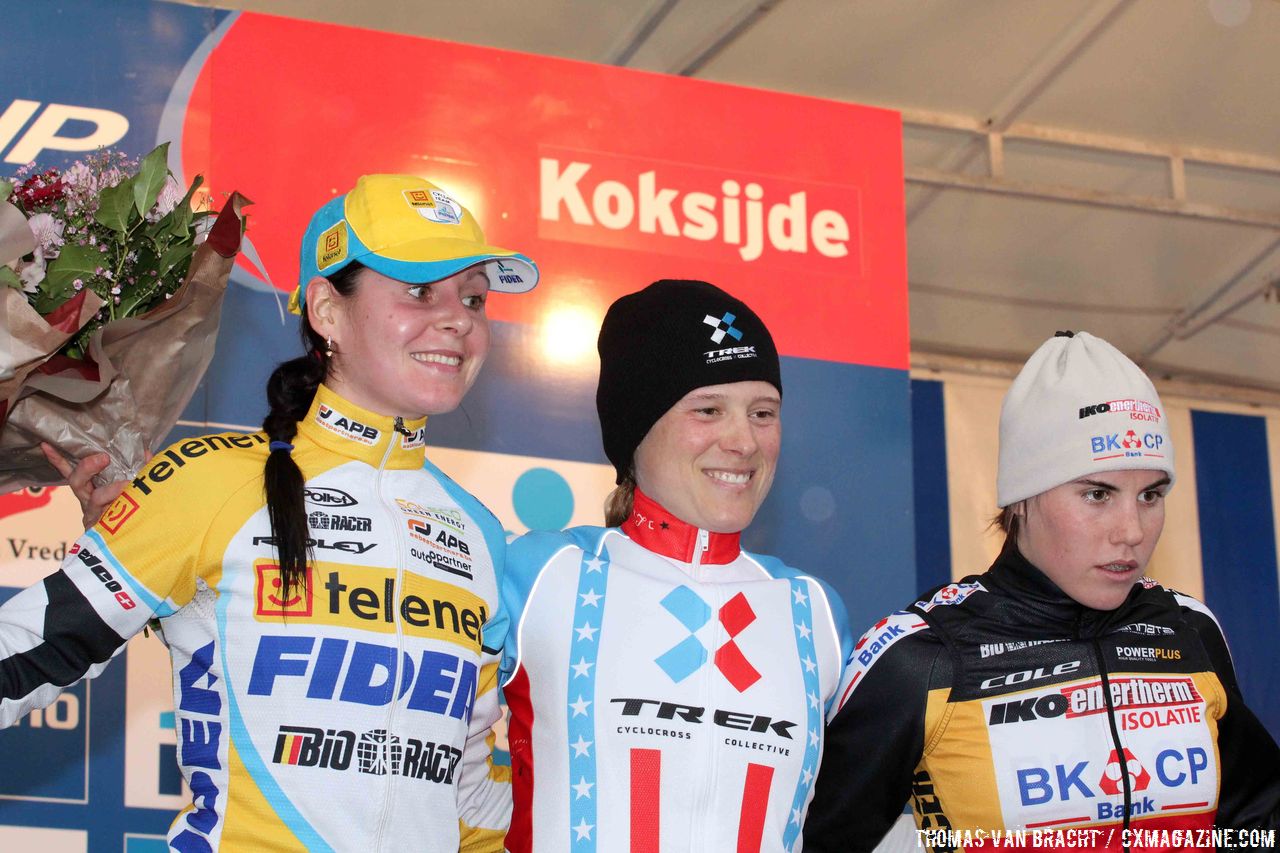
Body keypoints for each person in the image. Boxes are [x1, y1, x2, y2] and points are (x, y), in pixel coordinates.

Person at [4, 174, 538, 852]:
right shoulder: (209, 480)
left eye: (473, 298)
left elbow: (471, 795)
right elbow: (28, 649)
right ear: (327, 310)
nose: (459, 318)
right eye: (418, 290)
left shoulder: (482, 535)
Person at [804, 331, 1280, 852]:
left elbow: (1257, 817)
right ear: (1021, 499)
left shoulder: (1189, 629)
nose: (1132, 530)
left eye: (1150, 495)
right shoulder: (923, 655)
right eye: (1098, 494)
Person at [498, 279, 854, 852]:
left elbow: (856, 817)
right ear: (637, 427)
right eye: (708, 410)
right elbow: (439, 766)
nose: (743, 441)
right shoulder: (543, 574)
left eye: (763, 413)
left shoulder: (813, 611)